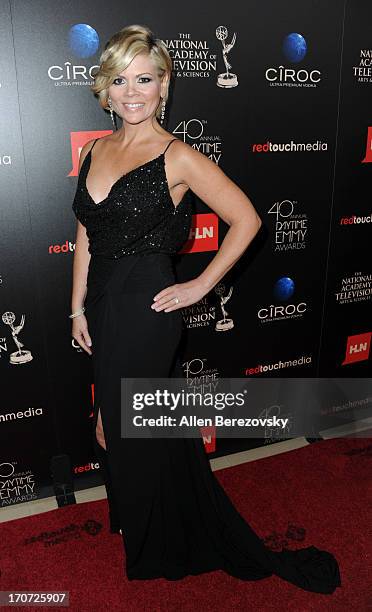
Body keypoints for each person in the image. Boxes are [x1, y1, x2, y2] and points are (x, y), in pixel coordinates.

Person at [70, 24, 341, 593]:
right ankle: (151, 517)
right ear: (105, 89)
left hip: (148, 309)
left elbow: (247, 219)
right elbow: (86, 234)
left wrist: (201, 286)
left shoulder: (178, 156)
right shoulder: (95, 149)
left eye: (145, 79)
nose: (132, 91)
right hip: (103, 302)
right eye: (121, 80)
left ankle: (154, 544)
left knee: (128, 421)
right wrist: (77, 308)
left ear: (164, 86)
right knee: (122, 422)